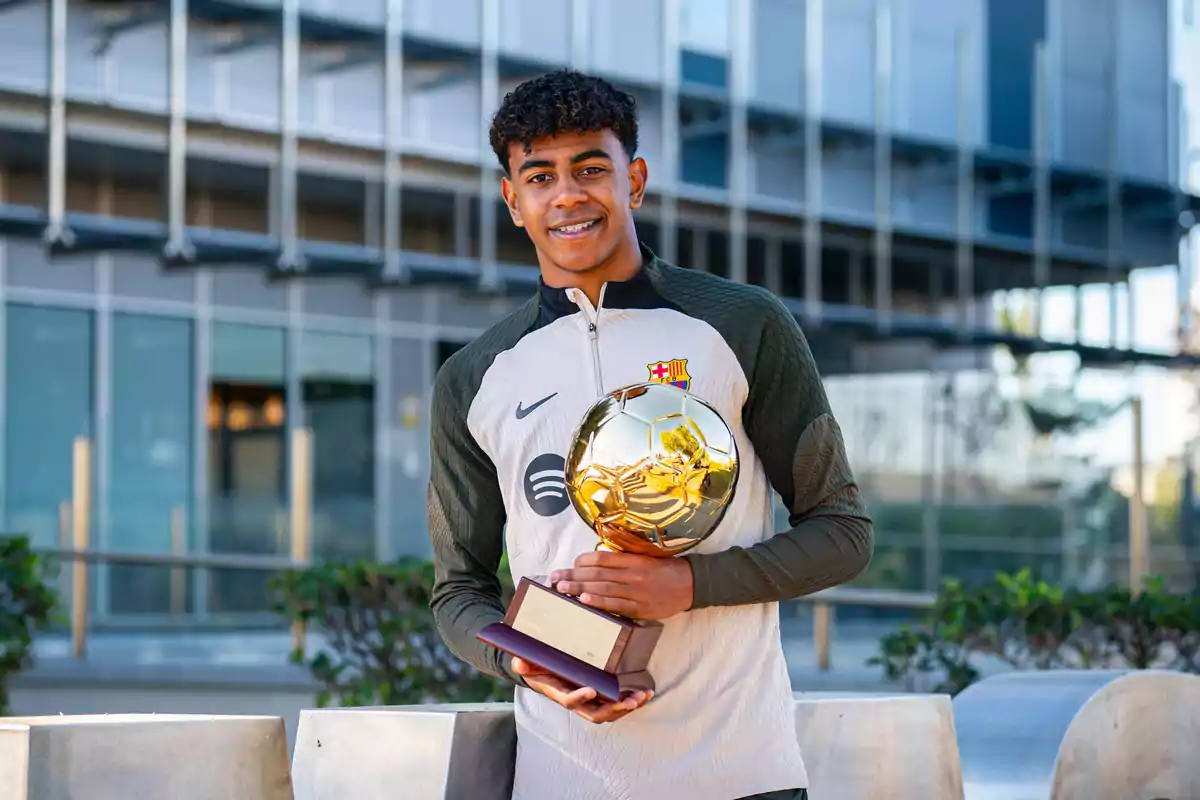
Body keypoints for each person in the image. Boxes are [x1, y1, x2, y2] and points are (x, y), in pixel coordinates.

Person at [427, 69, 873, 800]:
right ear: (514, 200)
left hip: (740, 774)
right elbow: (458, 593)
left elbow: (843, 532)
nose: (567, 194)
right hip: (559, 779)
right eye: (539, 176)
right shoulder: (474, 379)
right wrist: (523, 660)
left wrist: (690, 583)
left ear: (633, 181)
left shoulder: (742, 324)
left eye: (590, 168)